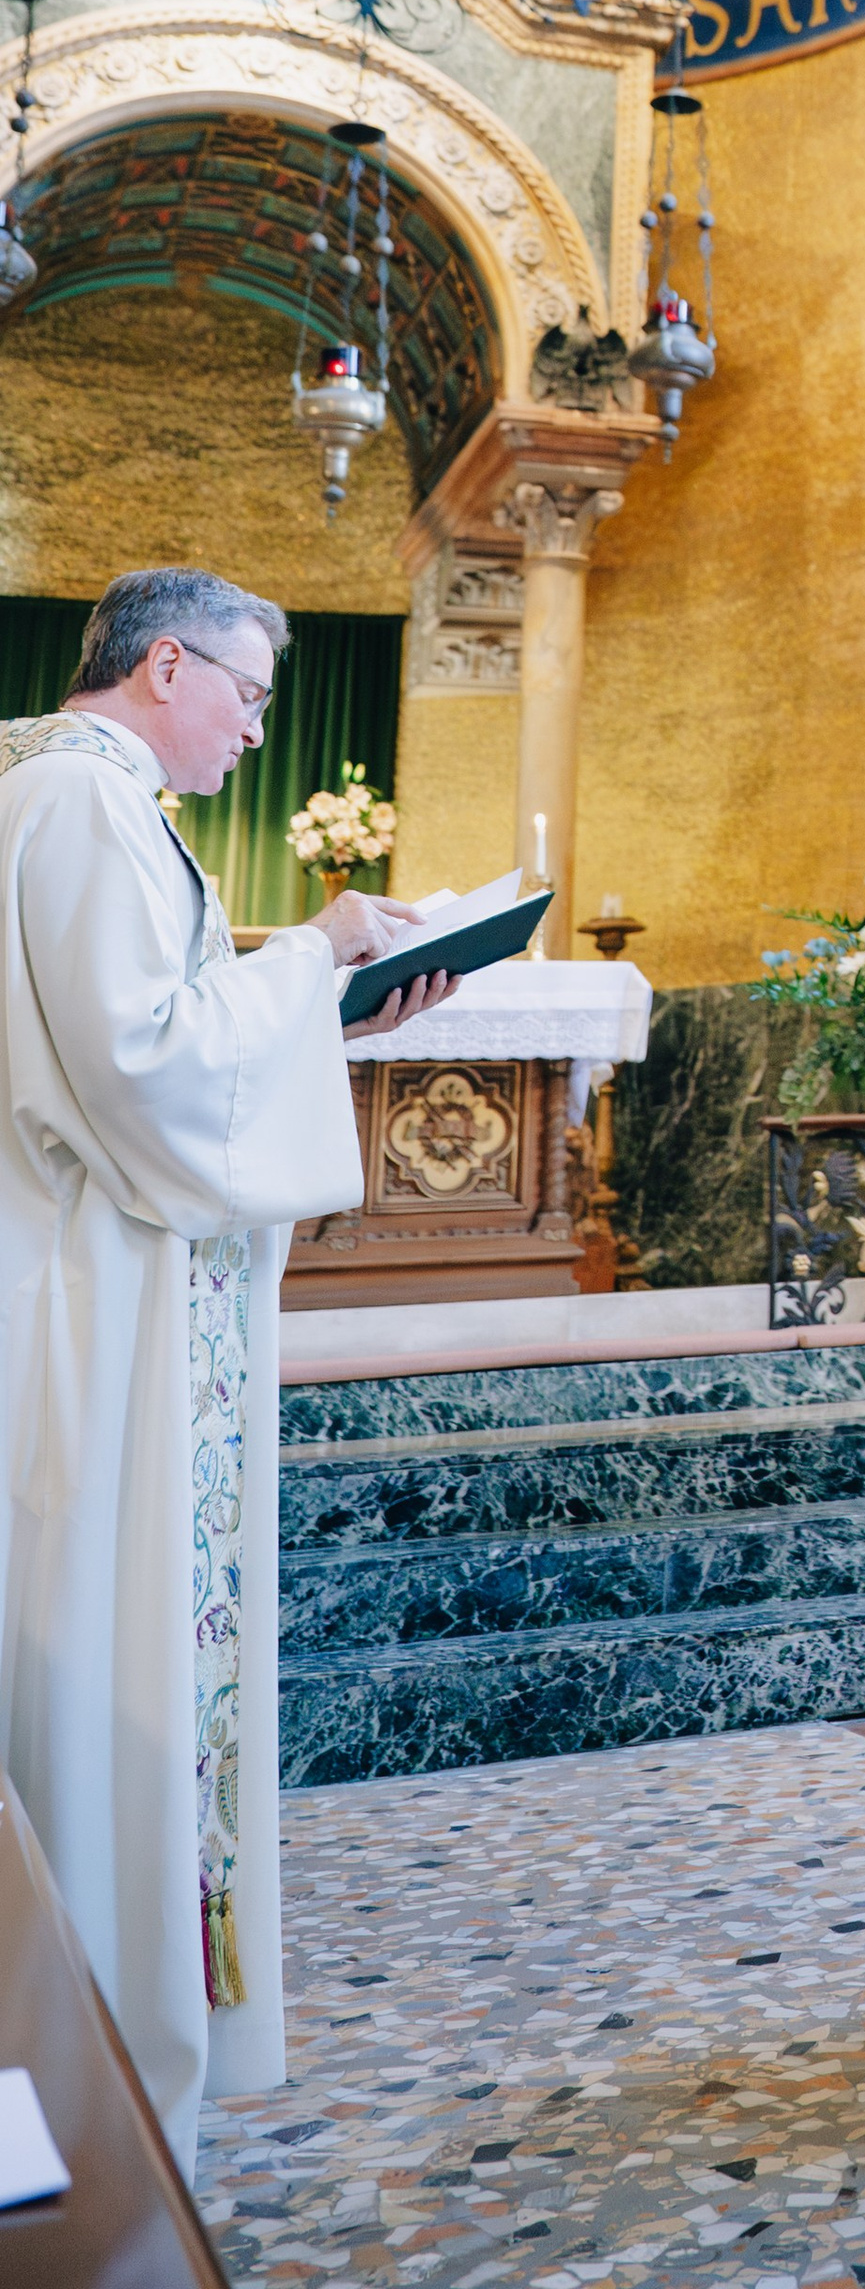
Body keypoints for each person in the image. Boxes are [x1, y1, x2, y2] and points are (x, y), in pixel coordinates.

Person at [0, 570, 449, 2164]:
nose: (260, 729)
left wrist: (338, 1009)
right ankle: (88, 2077)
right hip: (85, 1301)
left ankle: (122, 2054)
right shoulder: (72, 800)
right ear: (164, 662)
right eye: (250, 694)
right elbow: (143, 1069)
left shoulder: (98, 804)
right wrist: (319, 953)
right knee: (98, 1657)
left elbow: (172, 1037)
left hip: (121, 1287)